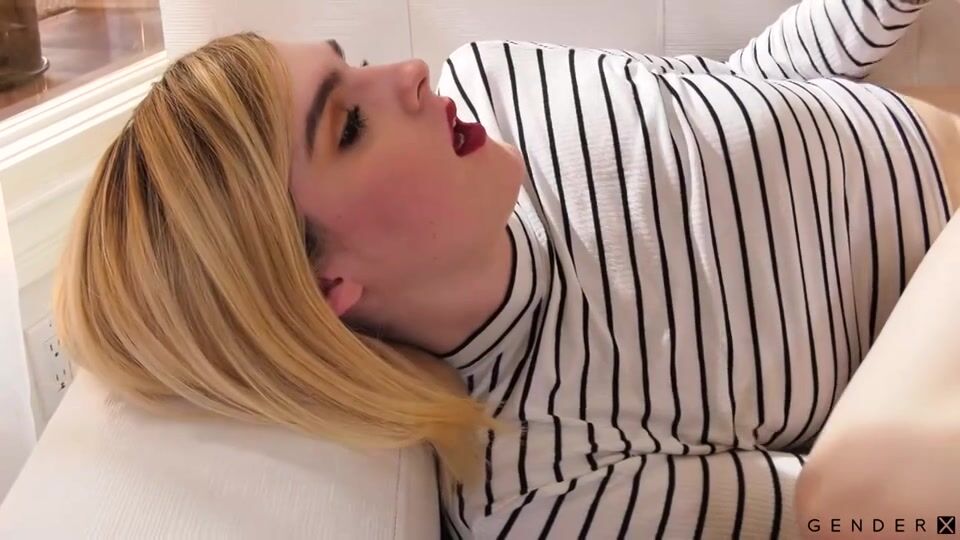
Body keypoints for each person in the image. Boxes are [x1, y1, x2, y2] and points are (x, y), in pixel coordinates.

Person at [53, 0, 960, 537]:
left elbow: (744, 95)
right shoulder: (548, 489)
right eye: (350, 124)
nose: (411, 73)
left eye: (354, 64)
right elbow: (877, 518)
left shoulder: (497, 79)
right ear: (327, 290)